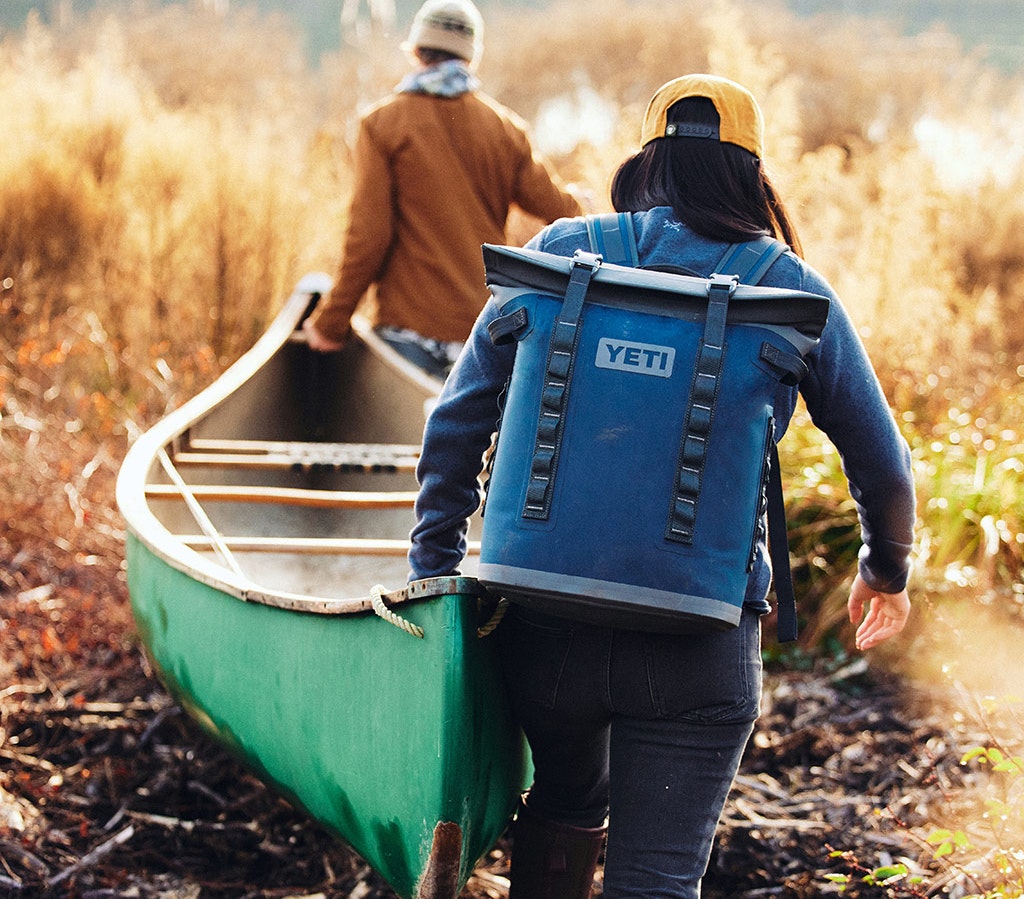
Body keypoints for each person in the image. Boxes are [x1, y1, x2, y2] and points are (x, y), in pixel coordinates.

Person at [408, 74, 915, 898]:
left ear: (646, 161)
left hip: (544, 633)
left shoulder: (561, 250)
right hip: (699, 646)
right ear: (751, 175)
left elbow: (456, 421)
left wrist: (433, 572)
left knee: (563, 802)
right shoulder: (789, 284)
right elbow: (884, 463)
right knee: (657, 878)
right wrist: (884, 569)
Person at [303, 0, 583, 378]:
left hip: (407, 332)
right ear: (471, 56)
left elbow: (369, 237)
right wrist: (581, 201)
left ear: (416, 50)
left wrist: (331, 323)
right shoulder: (505, 129)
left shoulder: (382, 124)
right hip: (482, 336)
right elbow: (561, 212)